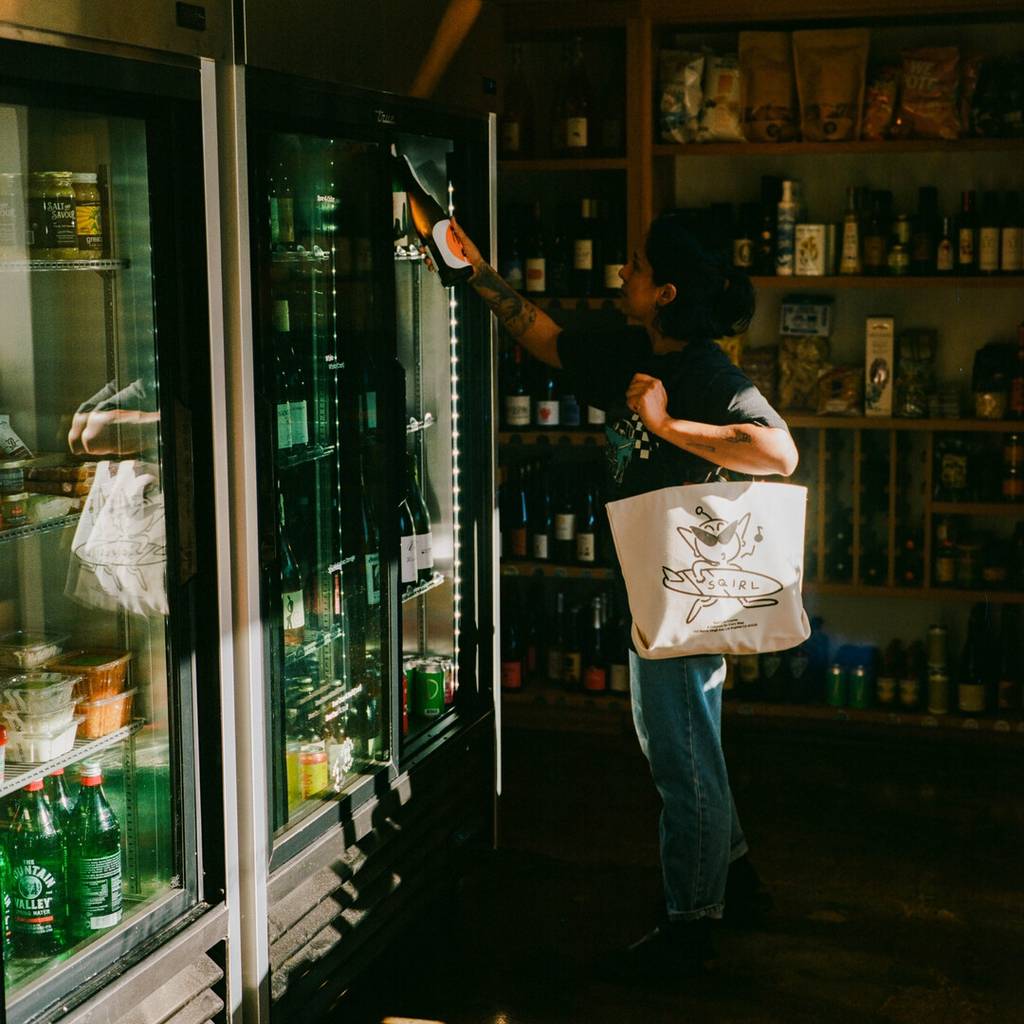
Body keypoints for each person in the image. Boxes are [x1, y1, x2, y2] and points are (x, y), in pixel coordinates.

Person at [429, 211, 798, 981]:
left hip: (687, 588)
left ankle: (692, 925)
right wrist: (479, 274)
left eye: (634, 267)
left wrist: (665, 424)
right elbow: (549, 337)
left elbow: (777, 450)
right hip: (657, 586)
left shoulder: (703, 371)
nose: (621, 275)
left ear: (664, 292)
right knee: (690, 745)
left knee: (680, 760)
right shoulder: (637, 348)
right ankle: (735, 880)